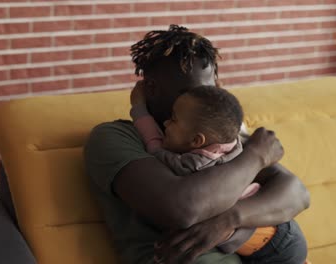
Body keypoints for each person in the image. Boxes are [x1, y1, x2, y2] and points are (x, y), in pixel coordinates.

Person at [84, 25, 310, 264]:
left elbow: (297, 194)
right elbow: (182, 209)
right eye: (193, 91)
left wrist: (229, 220)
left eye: (210, 89)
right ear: (151, 89)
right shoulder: (114, 138)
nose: (207, 101)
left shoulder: (216, 133)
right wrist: (255, 156)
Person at [130, 81, 308, 264]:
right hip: (278, 235)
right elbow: (236, 127)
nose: (166, 122)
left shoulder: (191, 165)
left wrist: (139, 109)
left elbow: (154, 143)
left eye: (173, 119)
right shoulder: (237, 145)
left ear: (197, 140)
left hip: (277, 244)